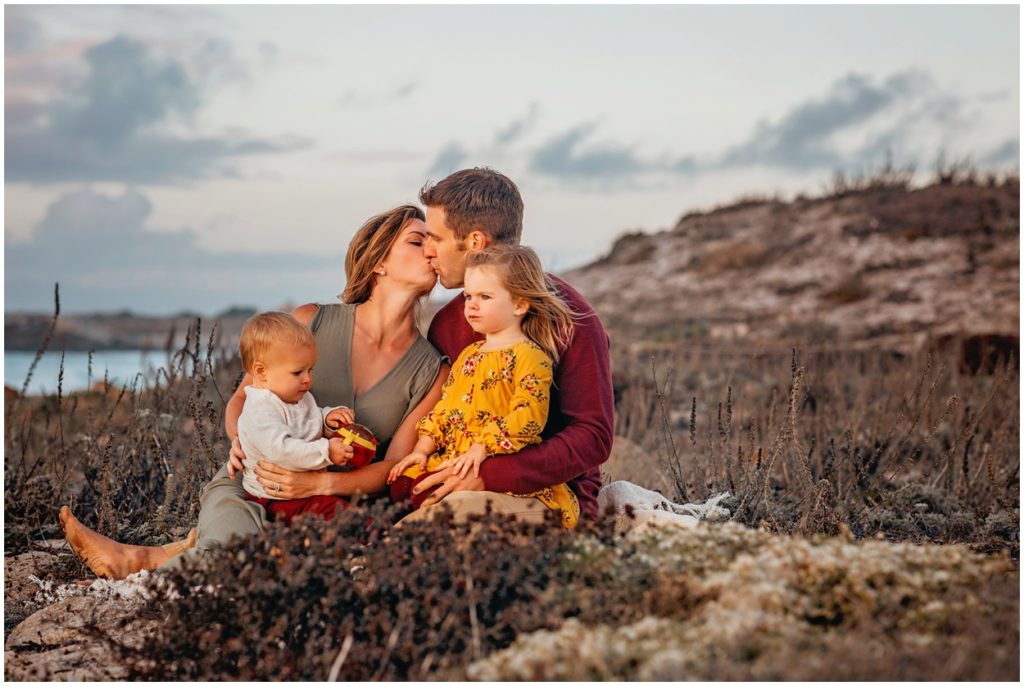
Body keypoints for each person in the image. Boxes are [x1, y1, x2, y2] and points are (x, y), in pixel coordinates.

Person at [59, 205, 449, 579]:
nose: (431, 250)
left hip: (331, 504)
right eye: (417, 241)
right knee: (232, 540)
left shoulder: (433, 369)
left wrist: (320, 483)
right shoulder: (310, 321)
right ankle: (141, 563)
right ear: (378, 260)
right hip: (253, 481)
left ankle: (142, 563)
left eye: (432, 242)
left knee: (251, 563)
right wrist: (240, 441)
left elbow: (394, 468)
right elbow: (244, 399)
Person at [401, 168, 615, 525]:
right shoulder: (449, 323)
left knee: (443, 526)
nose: (428, 251)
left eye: (435, 238)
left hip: (547, 499)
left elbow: (592, 435)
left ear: (474, 242)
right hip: (455, 486)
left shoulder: (571, 317)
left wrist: (487, 476)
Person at [387, 245, 581, 528]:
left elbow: (527, 418)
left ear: (519, 304)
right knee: (403, 483)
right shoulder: (469, 355)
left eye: (485, 297)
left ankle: (388, 552)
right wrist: (423, 448)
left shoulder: (530, 357)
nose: (472, 305)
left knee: (443, 509)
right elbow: (446, 408)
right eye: (468, 297)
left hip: (496, 471)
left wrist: (482, 448)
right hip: (454, 459)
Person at [235, 311, 360, 523]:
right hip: (276, 496)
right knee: (342, 515)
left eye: (310, 370)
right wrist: (326, 451)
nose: (308, 380)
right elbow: (282, 449)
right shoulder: (261, 409)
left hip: (303, 488)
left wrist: (327, 419)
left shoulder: (294, 396)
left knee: (341, 511)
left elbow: (305, 420)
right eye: (298, 372)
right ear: (261, 371)